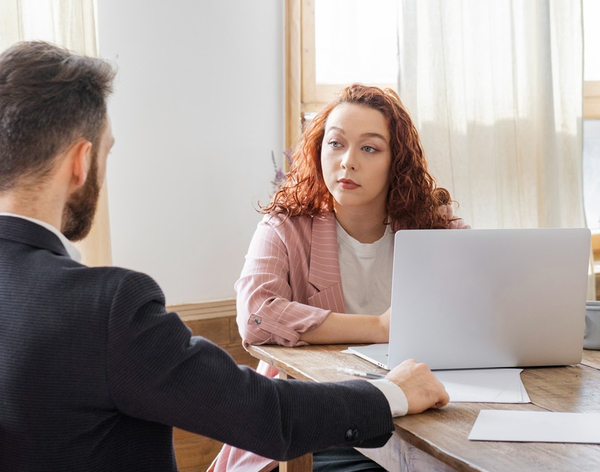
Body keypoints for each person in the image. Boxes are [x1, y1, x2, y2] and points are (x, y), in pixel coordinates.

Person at [0, 41, 450, 472]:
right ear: (81, 162)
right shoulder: (106, 306)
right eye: (107, 153)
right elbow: (262, 412)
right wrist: (390, 394)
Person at [213, 85, 469, 471]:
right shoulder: (285, 226)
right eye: (336, 143)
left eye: (369, 148)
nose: (347, 161)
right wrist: (380, 327)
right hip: (322, 423)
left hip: (425, 415)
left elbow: (484, 290)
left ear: (396, 160)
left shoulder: (434, 224)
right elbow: (256, 316)